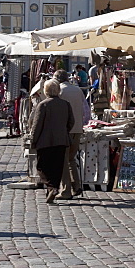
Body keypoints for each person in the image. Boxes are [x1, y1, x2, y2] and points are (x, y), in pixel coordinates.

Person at [30, 79, 75, 204]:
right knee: (57, 167)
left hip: (45, 141)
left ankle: (51, 188)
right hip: (61, 141)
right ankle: (53, 188)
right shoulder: (65, 104)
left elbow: (37, 125)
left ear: (45, 90)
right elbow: (71, 122)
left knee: (42, 166)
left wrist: (33, 140)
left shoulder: (43, 105)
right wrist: (63, 131)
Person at [54, 70, 85, 199]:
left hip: (65, 129)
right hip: (77, 128)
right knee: (71, 159)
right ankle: (76, 186)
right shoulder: (77, 90)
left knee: (63, 161)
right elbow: (85, 107)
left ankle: (66, 190)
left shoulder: (59, 91)